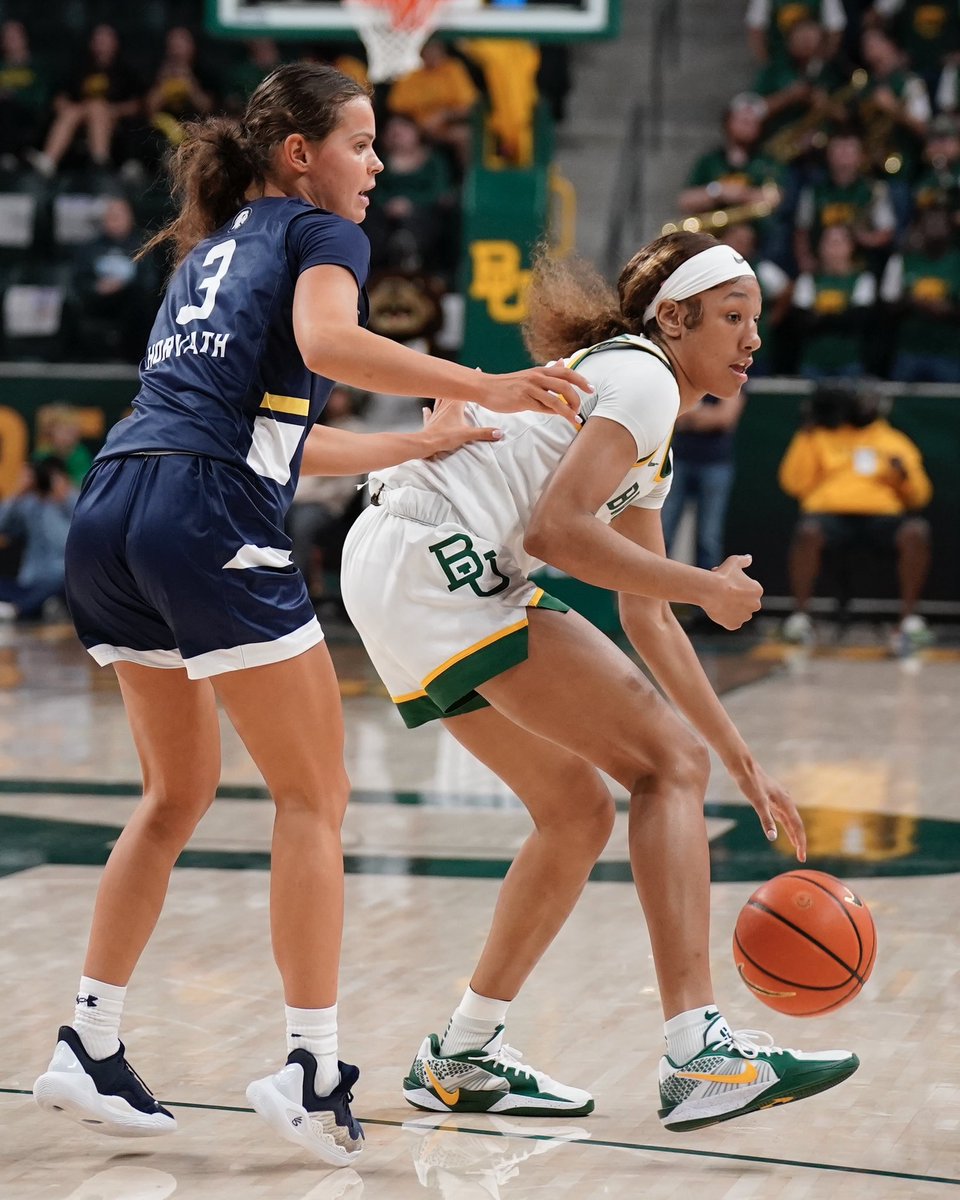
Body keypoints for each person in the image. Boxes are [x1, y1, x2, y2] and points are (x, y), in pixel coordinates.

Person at [30, 61, 590, 1167]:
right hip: (199, 515)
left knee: (175, 791)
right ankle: (313, 1064)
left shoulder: (209, 252)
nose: (376, 163)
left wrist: (419, 441)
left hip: (117, 503)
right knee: (315, 795)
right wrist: (486, 383)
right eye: (362, 142)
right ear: (301, 153)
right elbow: (333, 349)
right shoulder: (318, 235)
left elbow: (272, 435)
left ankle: (88, 1039)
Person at [339, 231, 859, 1133]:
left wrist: (742, 762)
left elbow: (644, 612)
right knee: (663, 766)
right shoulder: (647, 380)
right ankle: (700, 1054)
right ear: (674, 318)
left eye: (758, 322)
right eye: (733, 318)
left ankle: (461, 1054)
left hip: (402, 561)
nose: (751, 340)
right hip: (440, 556)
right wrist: (709, 585)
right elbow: (558, 534)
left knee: (582, 810)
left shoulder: (643, 418)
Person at [779, 383, 933, 650]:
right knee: (808, 532)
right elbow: (793, 484)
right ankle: (801, 618)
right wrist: (805, 435)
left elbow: (920, 497)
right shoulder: (822, 435)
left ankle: (908, 621)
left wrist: (903, 478)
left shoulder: (894, 441)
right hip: (831, 517)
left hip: (882, 519)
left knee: (916, 532)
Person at [28, 25, 141, 177]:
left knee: (97, 106)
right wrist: (72, 108)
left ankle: (100, 161)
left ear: (115, 43)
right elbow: (60, 98)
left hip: (114, 122)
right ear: (91, 43)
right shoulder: (80, 68)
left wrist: (113, 110)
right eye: (98, 40)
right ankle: (49, 161)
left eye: (105, 41)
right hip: (79, 120)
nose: (101, 45)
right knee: (74, 111)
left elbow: (137, 104)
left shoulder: (125, 70)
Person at [880, 203, 960, 382]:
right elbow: (886, 306)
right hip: (908, 352)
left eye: (939, 223)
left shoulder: (957, 262)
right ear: (920, 227)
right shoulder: (902, 261)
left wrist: (948, 310)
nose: (935, 228)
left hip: (950, 353)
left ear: (949, 228)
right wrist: (912, 302)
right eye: (929, 222)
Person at [791, 222, 877, 378]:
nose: (834, 249)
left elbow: (858, 320)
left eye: (839, 242)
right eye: (830, 242)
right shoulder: (808, 280)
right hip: (813, 361)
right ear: (820, 247)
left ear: (851, 247)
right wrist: (840, 315)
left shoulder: (863, 279)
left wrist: (821, 317)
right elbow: (802, 322)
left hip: (850, 361)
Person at [0, 456, 77, 621]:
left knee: (65, 580)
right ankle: (40, 605)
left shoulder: (73, 502)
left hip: (60, 581)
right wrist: (18, 492)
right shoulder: (30, 504)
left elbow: (67, 542)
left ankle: (18, 609)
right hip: (30, 581)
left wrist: (61, 498)